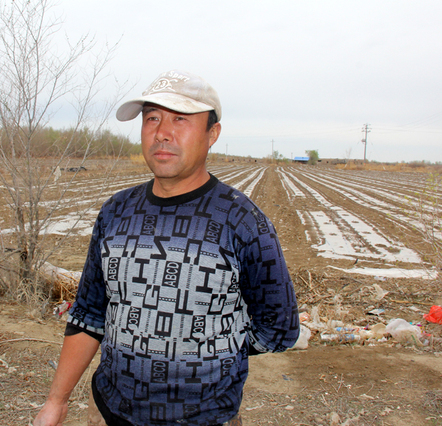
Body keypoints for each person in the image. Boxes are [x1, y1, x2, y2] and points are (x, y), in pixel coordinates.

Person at [33, 70, 299, 426]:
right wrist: (56, 401)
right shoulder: (116, 211)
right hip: (111, 411)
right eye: (152, 118)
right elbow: (90, 313)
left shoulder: (242, 221)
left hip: (206, 419)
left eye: (180, 119)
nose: (162, 132)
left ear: (212, 134)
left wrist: (215, 351)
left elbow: (279, 328)